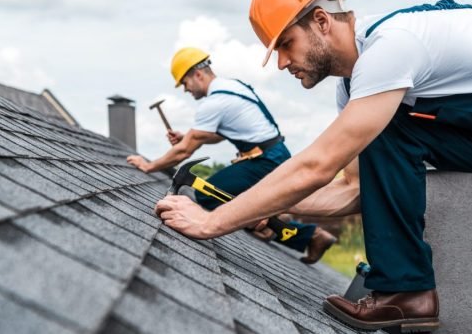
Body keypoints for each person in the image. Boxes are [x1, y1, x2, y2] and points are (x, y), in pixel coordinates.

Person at [155, 0, 472, 331]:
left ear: (322, 21)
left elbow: (317, 165)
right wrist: (257, 210)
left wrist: (212, 222)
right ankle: (406, 292)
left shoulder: (393, 46)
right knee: (388, 129)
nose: (280, 63)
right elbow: (354, 189)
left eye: (286, 44)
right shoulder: (357, 90)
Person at [127, 47, 336, 264]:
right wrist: (187, 136)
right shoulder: (233, 87)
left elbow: (184, 151)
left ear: (197, 74)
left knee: (207, 195)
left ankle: (288, 229)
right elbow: (216, 136)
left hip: (264, 160)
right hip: (271, 155)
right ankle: (290, 228)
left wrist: (149, 166)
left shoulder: (215, 101)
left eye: (185, 83)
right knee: (235, 200)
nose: (185, 90)